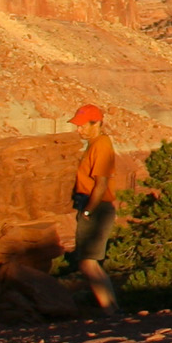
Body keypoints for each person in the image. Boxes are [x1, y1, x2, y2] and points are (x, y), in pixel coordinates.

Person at [68, 103, 121, 312]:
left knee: (86, 262)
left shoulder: (101, 145)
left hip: (96, 207)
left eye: (82, 126)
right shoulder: (95, 144)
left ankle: (109, 312)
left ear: (97, 123)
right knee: (91, 262)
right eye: (77, 125)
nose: (78, 129)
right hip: (94, 206)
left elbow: (101, 184)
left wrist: (88, 211)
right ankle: (112, 309)